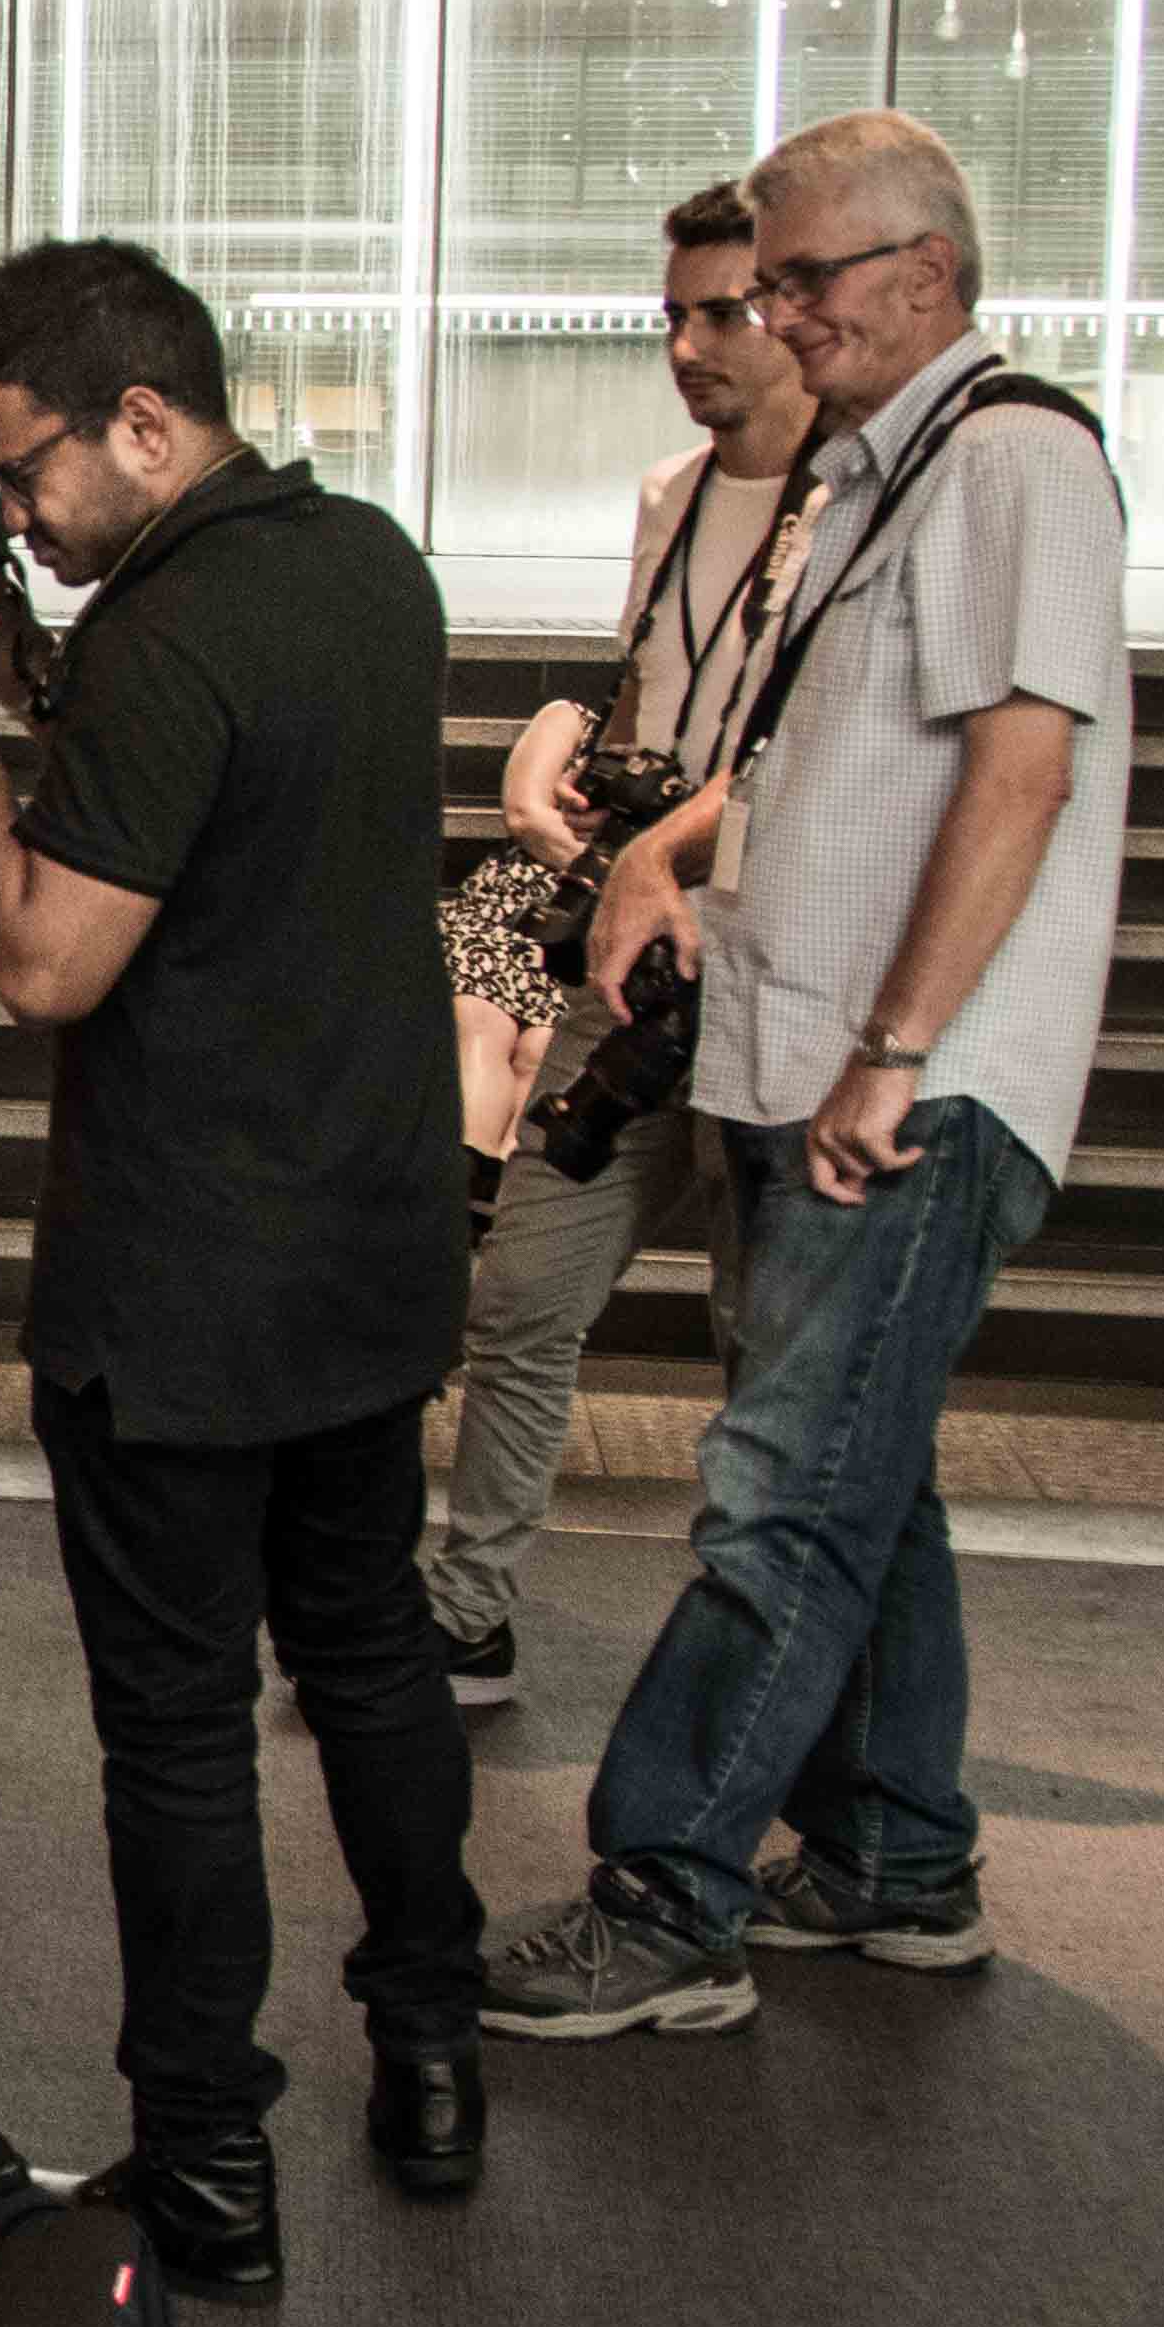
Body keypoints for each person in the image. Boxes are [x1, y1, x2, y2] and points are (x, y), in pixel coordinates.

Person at [0, 235, 484, 2296]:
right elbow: (244, 839)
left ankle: (210, 2165)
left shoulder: (158, 640)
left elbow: (51, 956)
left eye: (23, 474)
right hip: (368, 1245)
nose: (6, 518)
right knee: (374, 1655)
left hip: (182, 1281)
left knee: (184, 1730)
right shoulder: (374, 565)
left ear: (145, 417)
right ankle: (435, 2050)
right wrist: (49, 660)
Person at [487, 108, 1130, 2039]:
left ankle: (668, 1894)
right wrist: (666, 867)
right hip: (802, 1052)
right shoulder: (869, 474)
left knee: (776, 1496)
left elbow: (1023, 772)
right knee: (866, 1484)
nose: (771, 313)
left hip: (904, 1077)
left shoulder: (1012, 457)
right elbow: (803, 758)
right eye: (762, 279)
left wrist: (899, 1053)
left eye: (801, 279)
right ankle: (897, 1862)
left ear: (925, 273)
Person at [421, 185, 828, 1703]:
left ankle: (764, 1654)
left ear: (795, 314)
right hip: (634, 970)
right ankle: (469, 1604)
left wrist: (676, 831)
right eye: (673, 315)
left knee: (764, 1344)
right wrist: (583, 775)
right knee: (523, 1289)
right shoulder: (672, 497)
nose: (692, 345)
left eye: (723, 312)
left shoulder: (860, 515)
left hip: (787, 982)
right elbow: (660, 707)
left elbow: (829, 747)